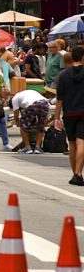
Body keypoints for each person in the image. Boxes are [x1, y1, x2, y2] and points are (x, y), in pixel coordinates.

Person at [54, 45, 84, 186]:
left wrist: (56, 118)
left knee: (72, 143)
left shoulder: (64, 75)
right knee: (82, 141)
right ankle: (78, 173)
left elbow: (59, 99)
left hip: (69, 113)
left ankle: (75, 174)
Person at [10, 88, 51, 154]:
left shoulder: (14, 99)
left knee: (23, 125)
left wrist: (18, 123)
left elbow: (16, 115)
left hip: (33, 105)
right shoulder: (27, 92)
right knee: (41, 126)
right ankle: (38, 147)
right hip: (45, 103)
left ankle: (27, 147)